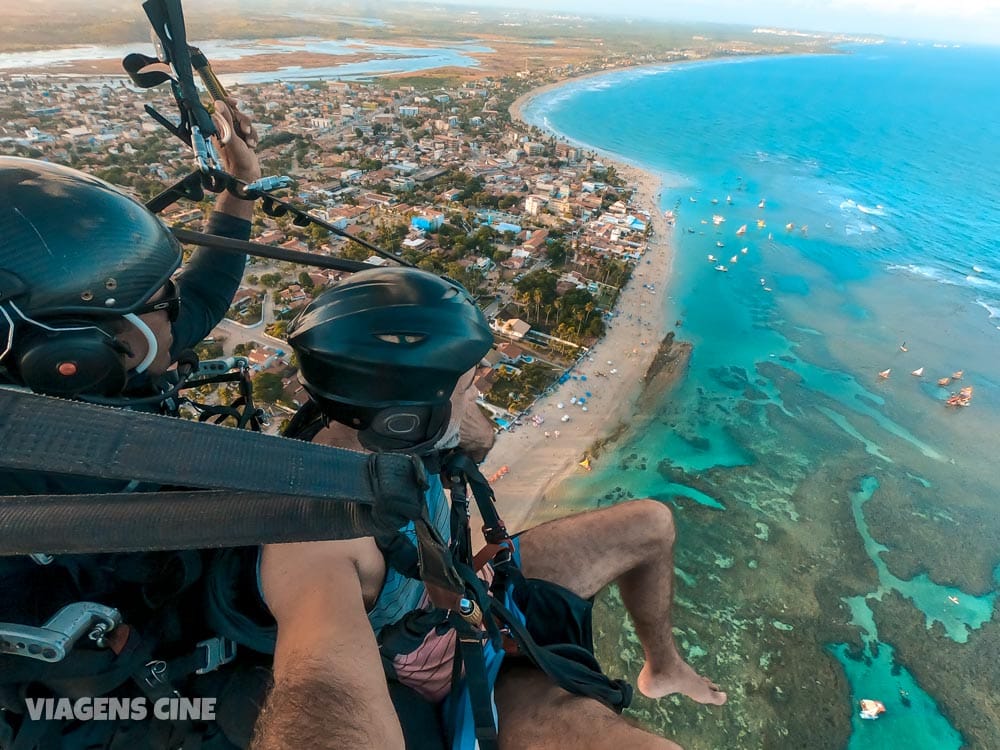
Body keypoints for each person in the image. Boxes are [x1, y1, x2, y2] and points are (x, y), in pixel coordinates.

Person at [251, 267, 726, 750]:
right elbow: (323, 695)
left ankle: (663, 668)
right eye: (467, 387)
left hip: (473, 589)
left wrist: (458, 421)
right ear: (407, 417)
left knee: (652, 524)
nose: (478, 392)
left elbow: (478, 436)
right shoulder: (318, 537)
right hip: (452, 668)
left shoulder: (374, 425)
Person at [0, 99, 261, 748]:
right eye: (158, 300)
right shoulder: (38, 494)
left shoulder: (99, 380)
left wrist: (240, 182)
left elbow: (199, 298)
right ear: (70, 355)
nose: (180, 306)